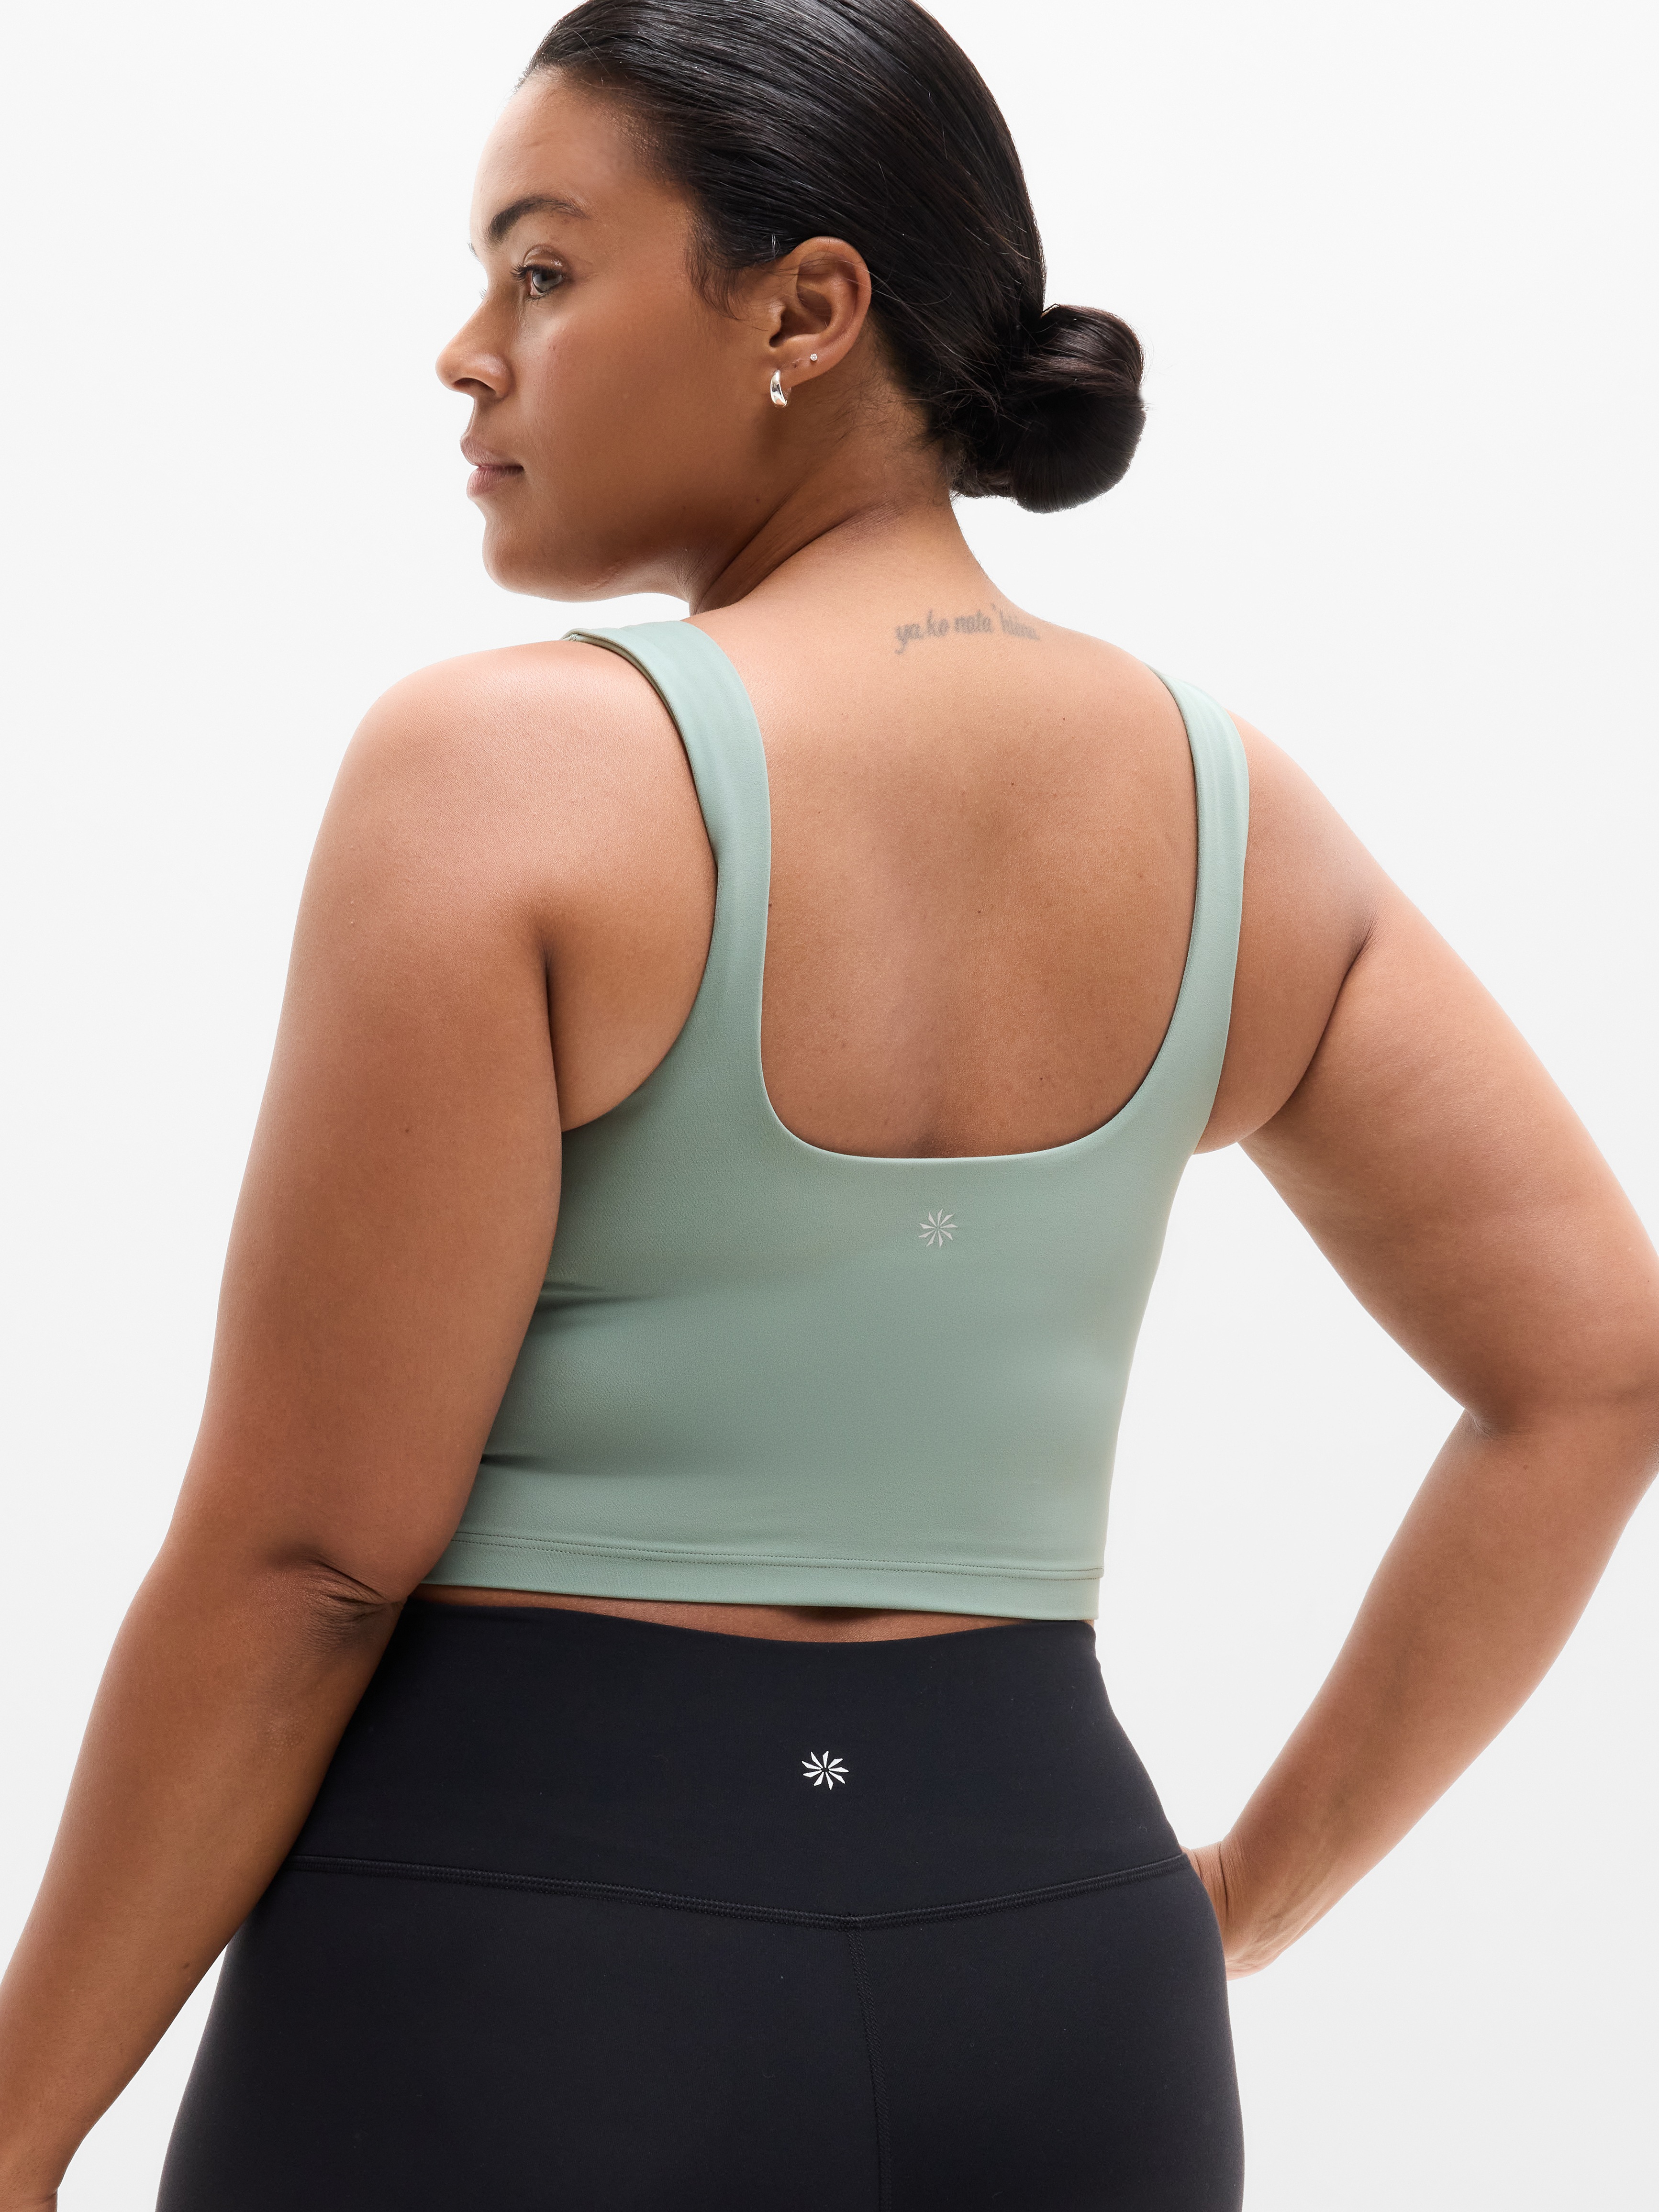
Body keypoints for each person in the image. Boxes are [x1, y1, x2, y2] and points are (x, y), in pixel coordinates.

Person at [2, 0, 1656, 2204]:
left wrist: (16, 2126)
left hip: (525, 1973)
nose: (468, 356)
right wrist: (1236, 1901)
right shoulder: (1239, 820)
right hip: (1067, 1989)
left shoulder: (508, 773)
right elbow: (1595, 1368)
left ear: (806, 308)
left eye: (543, 269)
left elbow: (307, 1564)